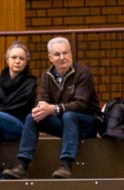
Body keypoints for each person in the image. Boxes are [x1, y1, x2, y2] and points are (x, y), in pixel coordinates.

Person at [2, 37, 100, 180]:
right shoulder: (47, 75)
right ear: (50, 58)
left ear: (71, 53)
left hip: (87, 123)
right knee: (33, 116)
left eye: (65, 53)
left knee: (69, 115)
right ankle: (22, 165)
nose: (62, 57)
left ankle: (65, 165)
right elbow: (42, 98)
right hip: (64, 123)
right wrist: (40, 108)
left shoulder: (83, 73)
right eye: (57, 54)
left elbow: (81, 104)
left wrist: (54, 109)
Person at [0, 41, 36, 141]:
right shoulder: (0, 80)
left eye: (21, 58)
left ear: (26, 62)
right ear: (7, 60)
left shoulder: (30, 82)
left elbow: (19, 106)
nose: (17, 61)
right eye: (13, 57)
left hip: (18, 125)